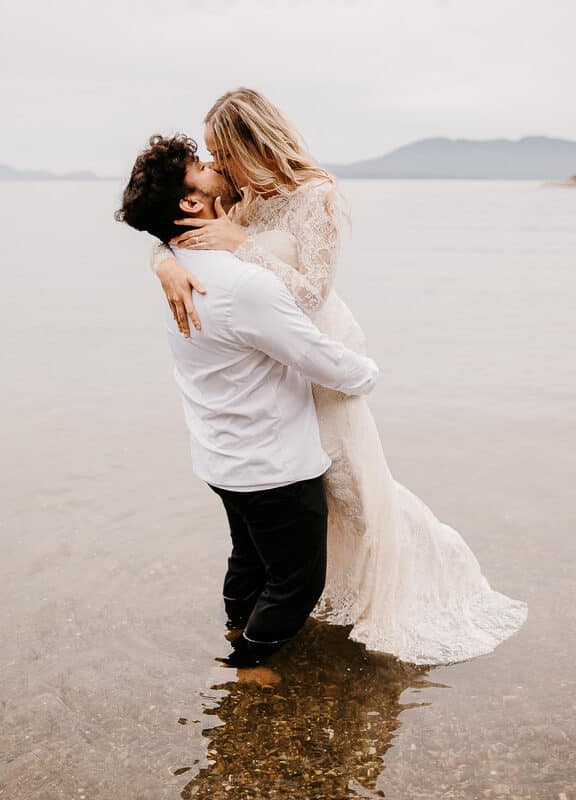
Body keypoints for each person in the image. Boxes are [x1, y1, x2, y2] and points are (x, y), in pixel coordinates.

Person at [151, 88, 528, 665]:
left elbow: (310, 294)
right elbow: (172, 226)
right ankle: (288, 607)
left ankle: (403, 589)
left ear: (252, 141)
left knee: (355, 494)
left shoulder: (314, 196)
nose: (216, 165)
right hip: (278, 374)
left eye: (220, 150)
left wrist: (244, 244)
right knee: (292, 511)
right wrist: (165, 263)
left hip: (320, 370)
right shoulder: (242, 198)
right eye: (209, 154)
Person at [115, 134, 380, 667]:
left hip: (218, 455)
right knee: (297, 582)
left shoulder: (181, 268)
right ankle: (247, 666)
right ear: (191, 203)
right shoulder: (241, 285)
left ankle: (236, 629)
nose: (214, 166)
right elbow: (315, 356)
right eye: (201, 165)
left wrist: (161, 258)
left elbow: (165, 245)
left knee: (250, 560)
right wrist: (369, 373)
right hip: (272, 465)